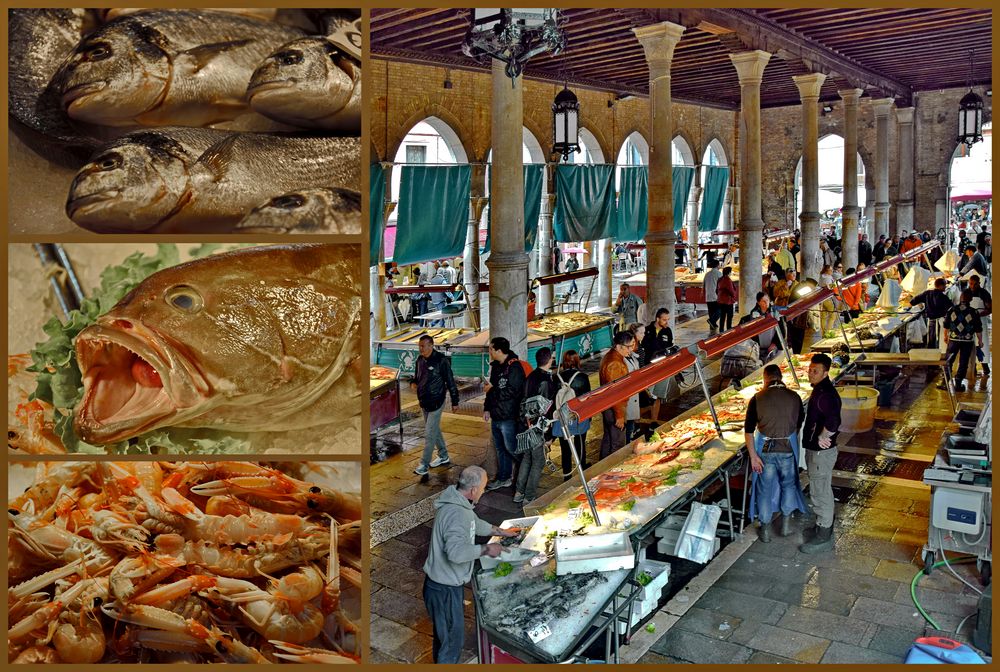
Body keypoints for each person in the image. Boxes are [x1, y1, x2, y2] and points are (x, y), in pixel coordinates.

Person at [423, 466, 517, 664]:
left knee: (445, 638)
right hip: (444, 589)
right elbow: (456, 553)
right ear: (474, 490)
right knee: (451, 642)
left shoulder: (458, 502)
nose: (483, 492)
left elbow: (474, 523)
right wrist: (485, 549)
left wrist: (500, 531)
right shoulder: (457, 513)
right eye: (483, 488)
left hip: (442, 586)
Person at [745, 364, 807, 542]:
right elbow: (797, 425)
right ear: (780, 377)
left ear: (766, 379)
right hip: (788, 451)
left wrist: (753, 457)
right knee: (788, 486)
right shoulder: (795, 397)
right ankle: (785, 526)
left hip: (765, 454)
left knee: (764, 490)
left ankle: (765, 529)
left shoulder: (757, 398)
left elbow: (748, 432)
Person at [799, 353, 842, 555]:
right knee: (822, 487)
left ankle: (823, 535)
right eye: (810, 369)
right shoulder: (820, 390)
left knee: (820, 492)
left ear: (826, 372)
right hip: (817, 453)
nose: (811, 373)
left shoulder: (825, 394)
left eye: (815, 371)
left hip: (820, 455)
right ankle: (822, 525)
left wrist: (822, 437)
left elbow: (833, 422)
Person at [513, 348, 558, 504]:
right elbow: (546, 409)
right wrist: (549, 435)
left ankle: (519, 492)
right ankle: (529, 496)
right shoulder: (546, 381)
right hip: (539, 428)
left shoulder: (531, 376)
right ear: (549, 360)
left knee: (526, 459)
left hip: (526, 425)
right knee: (538, 462)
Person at [412, 336, 459, 476]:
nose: (421, 349)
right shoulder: (420, 360)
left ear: (431, 345)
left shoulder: (441, 360)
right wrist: (413, 383)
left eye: (423, 346)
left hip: (437, 401)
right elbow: (416, 377)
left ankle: (424, 464)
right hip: (424, 401)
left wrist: (455, 401)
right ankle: (444, 456)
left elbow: (450, 381)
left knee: (429, 434)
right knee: (434, 429)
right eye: (419, 346)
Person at [483, 337, 526, 491]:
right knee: (500, 448)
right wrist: (487, 408)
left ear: (499, 351)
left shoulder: (514, 368)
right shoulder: (496, 367)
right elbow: (491, 388)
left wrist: (492, 391)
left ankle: (525, 474)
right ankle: (504, 477)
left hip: (509, 416)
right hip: (496, 414)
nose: (489, 352)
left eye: (491, 349)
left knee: (512, 448)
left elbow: (512, 391)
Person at [554, 350, 592, 481]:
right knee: (580, 443)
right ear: (577, 361)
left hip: (562, 417)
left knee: (565, 448)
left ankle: (567, 475)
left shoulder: (556, 377)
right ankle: (582, 468)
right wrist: (589, 417)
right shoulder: (582, 377)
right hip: (578, 415)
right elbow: (588, 399)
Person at [599, 330, 634, 458]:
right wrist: (619, 415)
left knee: (608, 439)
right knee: (617, 444)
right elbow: (615, 392)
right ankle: (613, 473)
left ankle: (602, 469)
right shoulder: (614, 363)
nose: (631, 350)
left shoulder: (612, 356)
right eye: (629, 347)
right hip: (614, 409)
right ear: (619, 346)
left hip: (608, 407)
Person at [943, 289, 984, 392]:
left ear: (960, 298)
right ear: (970, 299)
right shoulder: (974, 312)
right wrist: (980, 341)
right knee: (963, 361)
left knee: (948, 360)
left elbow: (946, 325)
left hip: (953, 339)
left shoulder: (951, 309)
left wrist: (945, 336)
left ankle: (945, 381)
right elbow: (978, 328)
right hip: (967, 341)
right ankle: (958, 383)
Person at [642, 308, 676, 420]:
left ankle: (654, 420)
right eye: (664, 320)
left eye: (668, 319)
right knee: (647, 397)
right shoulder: (646, 330)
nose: (667, 322)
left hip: (662, 367)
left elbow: (670, 347)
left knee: (657, 396)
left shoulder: (668, 331)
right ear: (657, 319)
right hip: (648, 368)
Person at [910, 277, 952, 349]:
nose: (945, 287)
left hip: (930, 321)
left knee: (931, 340)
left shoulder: (927, 293)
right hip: (940, 322)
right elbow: (951, 309)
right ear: (940, 286)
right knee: (939, 341)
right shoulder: (943, 297)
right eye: (944, 285)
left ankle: (930, 355)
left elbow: (913, 302)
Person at [624, 324, 645, 443]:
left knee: (631, 423)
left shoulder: (633, 354)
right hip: (629, 396)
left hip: (635, 391)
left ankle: (632, 434)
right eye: (641, 333)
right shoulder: (623, 360)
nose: (644, 335)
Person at [703, 260, 723, 333]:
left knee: (711, 311)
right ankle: (712, 321)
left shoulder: (707, 274)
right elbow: (722, 285)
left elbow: (704, 285)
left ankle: (712, 325)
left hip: (708, 295)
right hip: (716, 295)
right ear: (717, 265)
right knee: (721, 310)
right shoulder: (719, 274)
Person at [716, 267, 737, 332]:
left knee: (722, 316)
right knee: (729, 316)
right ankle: (729, 329)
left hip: (721, 301)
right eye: (731, 271)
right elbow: (731, 290)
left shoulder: (720, 279)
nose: (731, 273)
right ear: (728, 272)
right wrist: (734, 296)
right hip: (728, 301)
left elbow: (716, 290)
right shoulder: (727, 280)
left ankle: (721, 329)